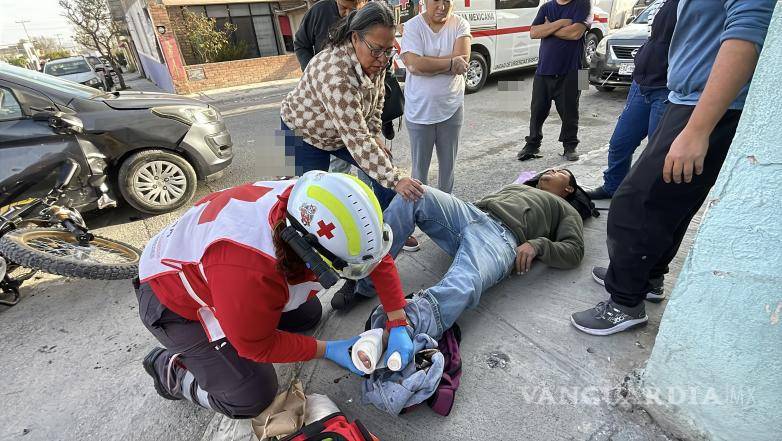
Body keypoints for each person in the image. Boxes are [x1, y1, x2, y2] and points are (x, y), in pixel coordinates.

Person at [571, 0, 776, 336]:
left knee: (633, 204)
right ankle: (646, 278)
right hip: (685, 101)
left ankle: (624, 303)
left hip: (704, 109)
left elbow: (746, 37)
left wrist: (697, 130)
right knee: (670, 204)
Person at [135, 171, 414, 418]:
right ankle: (172, 369)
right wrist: (329, 349)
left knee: (308, 315)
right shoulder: (249, 271)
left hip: (213, 271)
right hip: (172, 301)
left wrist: (397, 319)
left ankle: (238, 323)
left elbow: (372, 255)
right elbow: (254, 346)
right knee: (252, 396)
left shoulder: (312, 202)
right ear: (308, 254)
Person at [334, 169, 589, 319]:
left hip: (501, 238)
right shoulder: (519, 186)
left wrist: (539, 245)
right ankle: (363, 283)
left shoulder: (565, 208)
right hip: (471, 213)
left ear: (568, 189)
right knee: (414, 193)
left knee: (463, 284)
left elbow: (575, 251)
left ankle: (411, 326)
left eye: (559, 173)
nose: (551, 171)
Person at [282, 1, 424, 254]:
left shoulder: (376, 56)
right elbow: (356, 140)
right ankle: (314, 250)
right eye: (377, 50)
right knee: (311, 197)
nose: (382, 59)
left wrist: (375, 135)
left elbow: (378, 99)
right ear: (355, 38)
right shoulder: (336, 74)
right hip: (304, 132)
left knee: (382, 166)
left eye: (388, 51)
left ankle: (391, 230)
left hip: (343, 131)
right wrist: (396, 178)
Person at [587, 0, 679, 200]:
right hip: (641, 83)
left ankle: (653, 198)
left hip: (666, 88)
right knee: (620, 141)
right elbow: (653, 38)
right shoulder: (659, 4)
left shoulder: (689, 5)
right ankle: (613, 186)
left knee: (657, 152)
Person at [400, 0, 471, 194]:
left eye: (447, 1)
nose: (442, 5)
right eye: (436, 0)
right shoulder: (413, 26)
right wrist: (449, 64)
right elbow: (414, 65)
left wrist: (427, 63)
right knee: (419, 173)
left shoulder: (460, 24)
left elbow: (462, 61)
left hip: (451, 107)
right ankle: (418, 213)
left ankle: (445, 211)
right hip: (419, 110)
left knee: (448, 168)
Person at [293, 0, 368, 182]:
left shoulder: (371, 11)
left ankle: (370, 203)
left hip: (359, 97)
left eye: (353, 8)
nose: (348, 12)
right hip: (325, 102)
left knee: (369, 160)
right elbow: (301, 44)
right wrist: (314, 72)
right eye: (345, 8)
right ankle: (341, 195)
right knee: (333, 169)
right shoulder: (319, 11)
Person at [517, 0, 592, 163]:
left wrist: (548, 28)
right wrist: (560, 23)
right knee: (537, 110)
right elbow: (533, 33)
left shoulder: (583, 4)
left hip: (574, 71)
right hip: (544, 69)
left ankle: (570, 146)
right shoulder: (546, 7)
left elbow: (575, 33)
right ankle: (532, 144)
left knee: (570, 110)